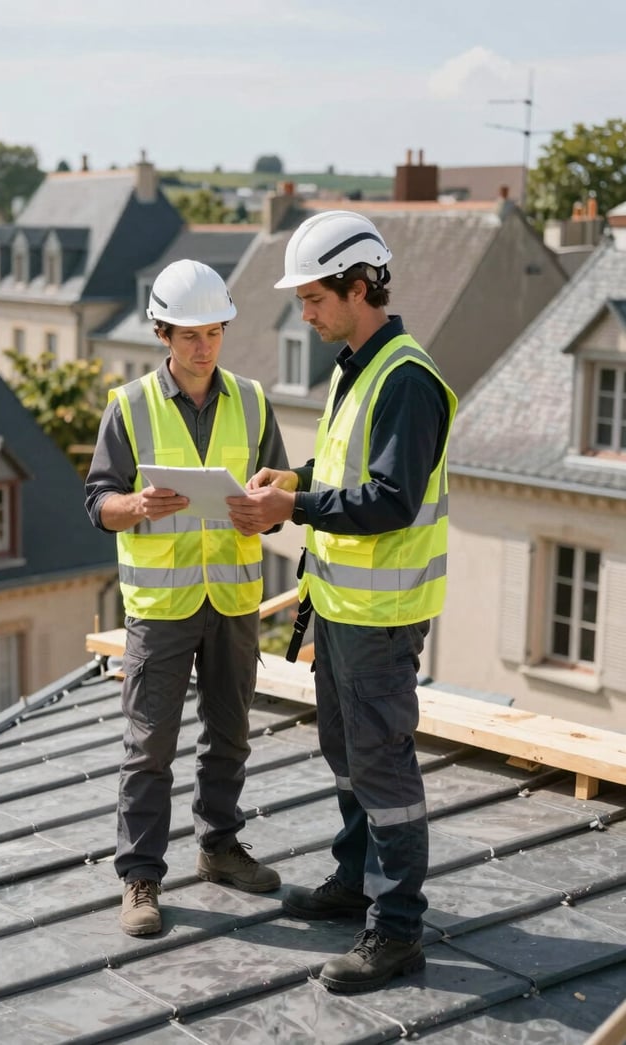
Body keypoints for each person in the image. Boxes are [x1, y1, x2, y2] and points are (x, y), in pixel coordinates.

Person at [227, 210, 458, 993]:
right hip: (343, 610)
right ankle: (356, 881)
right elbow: (345, 480)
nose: (305, 312)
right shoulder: (354, 368)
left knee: (384, 770)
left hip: (382, 622)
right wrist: (292, 484)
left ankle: (396, 932)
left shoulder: (406, 380)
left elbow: (390, 500)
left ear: (361, 288)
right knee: (348, 755)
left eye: (315, 297)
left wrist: (291, 511)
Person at [85, 259, 288, 937]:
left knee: (230, 734)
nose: (204, 346)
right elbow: (98, 503)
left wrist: (267, 507)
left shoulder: (254, 401)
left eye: (213, 332)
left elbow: (281, 496)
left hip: (231, 602)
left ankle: (219, 847)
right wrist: (135, 503)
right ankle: (140, 876)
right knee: (150, 748)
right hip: (162, 611)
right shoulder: (131, 405)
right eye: (189, 334)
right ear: (163, 333)